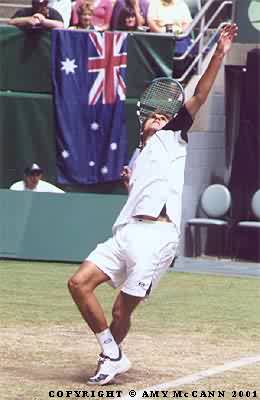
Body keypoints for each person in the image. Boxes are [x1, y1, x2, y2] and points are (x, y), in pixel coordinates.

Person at [68, 23, 237, 385]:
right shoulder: (140, 154)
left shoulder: (172, 137)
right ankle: (112, 353)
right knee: (78, 283)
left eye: (166, 116)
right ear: (143, 119)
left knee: (120, 310)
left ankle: (108, 358)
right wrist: (133, 184)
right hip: (126, 232)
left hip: (157, 238)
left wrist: (219, 54)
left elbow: (199, 96)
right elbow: (142, 187)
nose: (162, 118)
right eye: (156, 115)